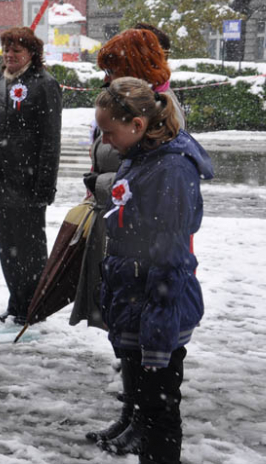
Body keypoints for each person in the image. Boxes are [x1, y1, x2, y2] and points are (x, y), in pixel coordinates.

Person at [90, 76, 213, 464]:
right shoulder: (142, 157)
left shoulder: (170, 170)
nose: (105, 140)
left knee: (159, 413)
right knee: (146, 406)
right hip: (137, 301)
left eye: (109, 132)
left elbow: (171, 257)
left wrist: (157, 336)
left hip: (157, 309)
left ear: (138, 126)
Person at [81, 27, 183, 455]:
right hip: (122, 232)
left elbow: (144, 178)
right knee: (124, 329)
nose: (106, 76)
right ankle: (132, 414)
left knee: (150, 345)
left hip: (149, 248)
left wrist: (103, 183)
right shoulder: (123, 102)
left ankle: (144, 420)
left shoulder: (158, 110)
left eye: (114, 68)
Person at [0, 26, 62, 325]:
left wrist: (44, 185)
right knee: (8, 247)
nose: (9, 55)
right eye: (6, 49)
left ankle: (33, 307)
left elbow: (51, 139)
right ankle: (16, 302)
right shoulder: (0, 80)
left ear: (31, 53)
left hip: (26, 182)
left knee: (30, 250)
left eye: (16, 50)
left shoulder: (44, 84)